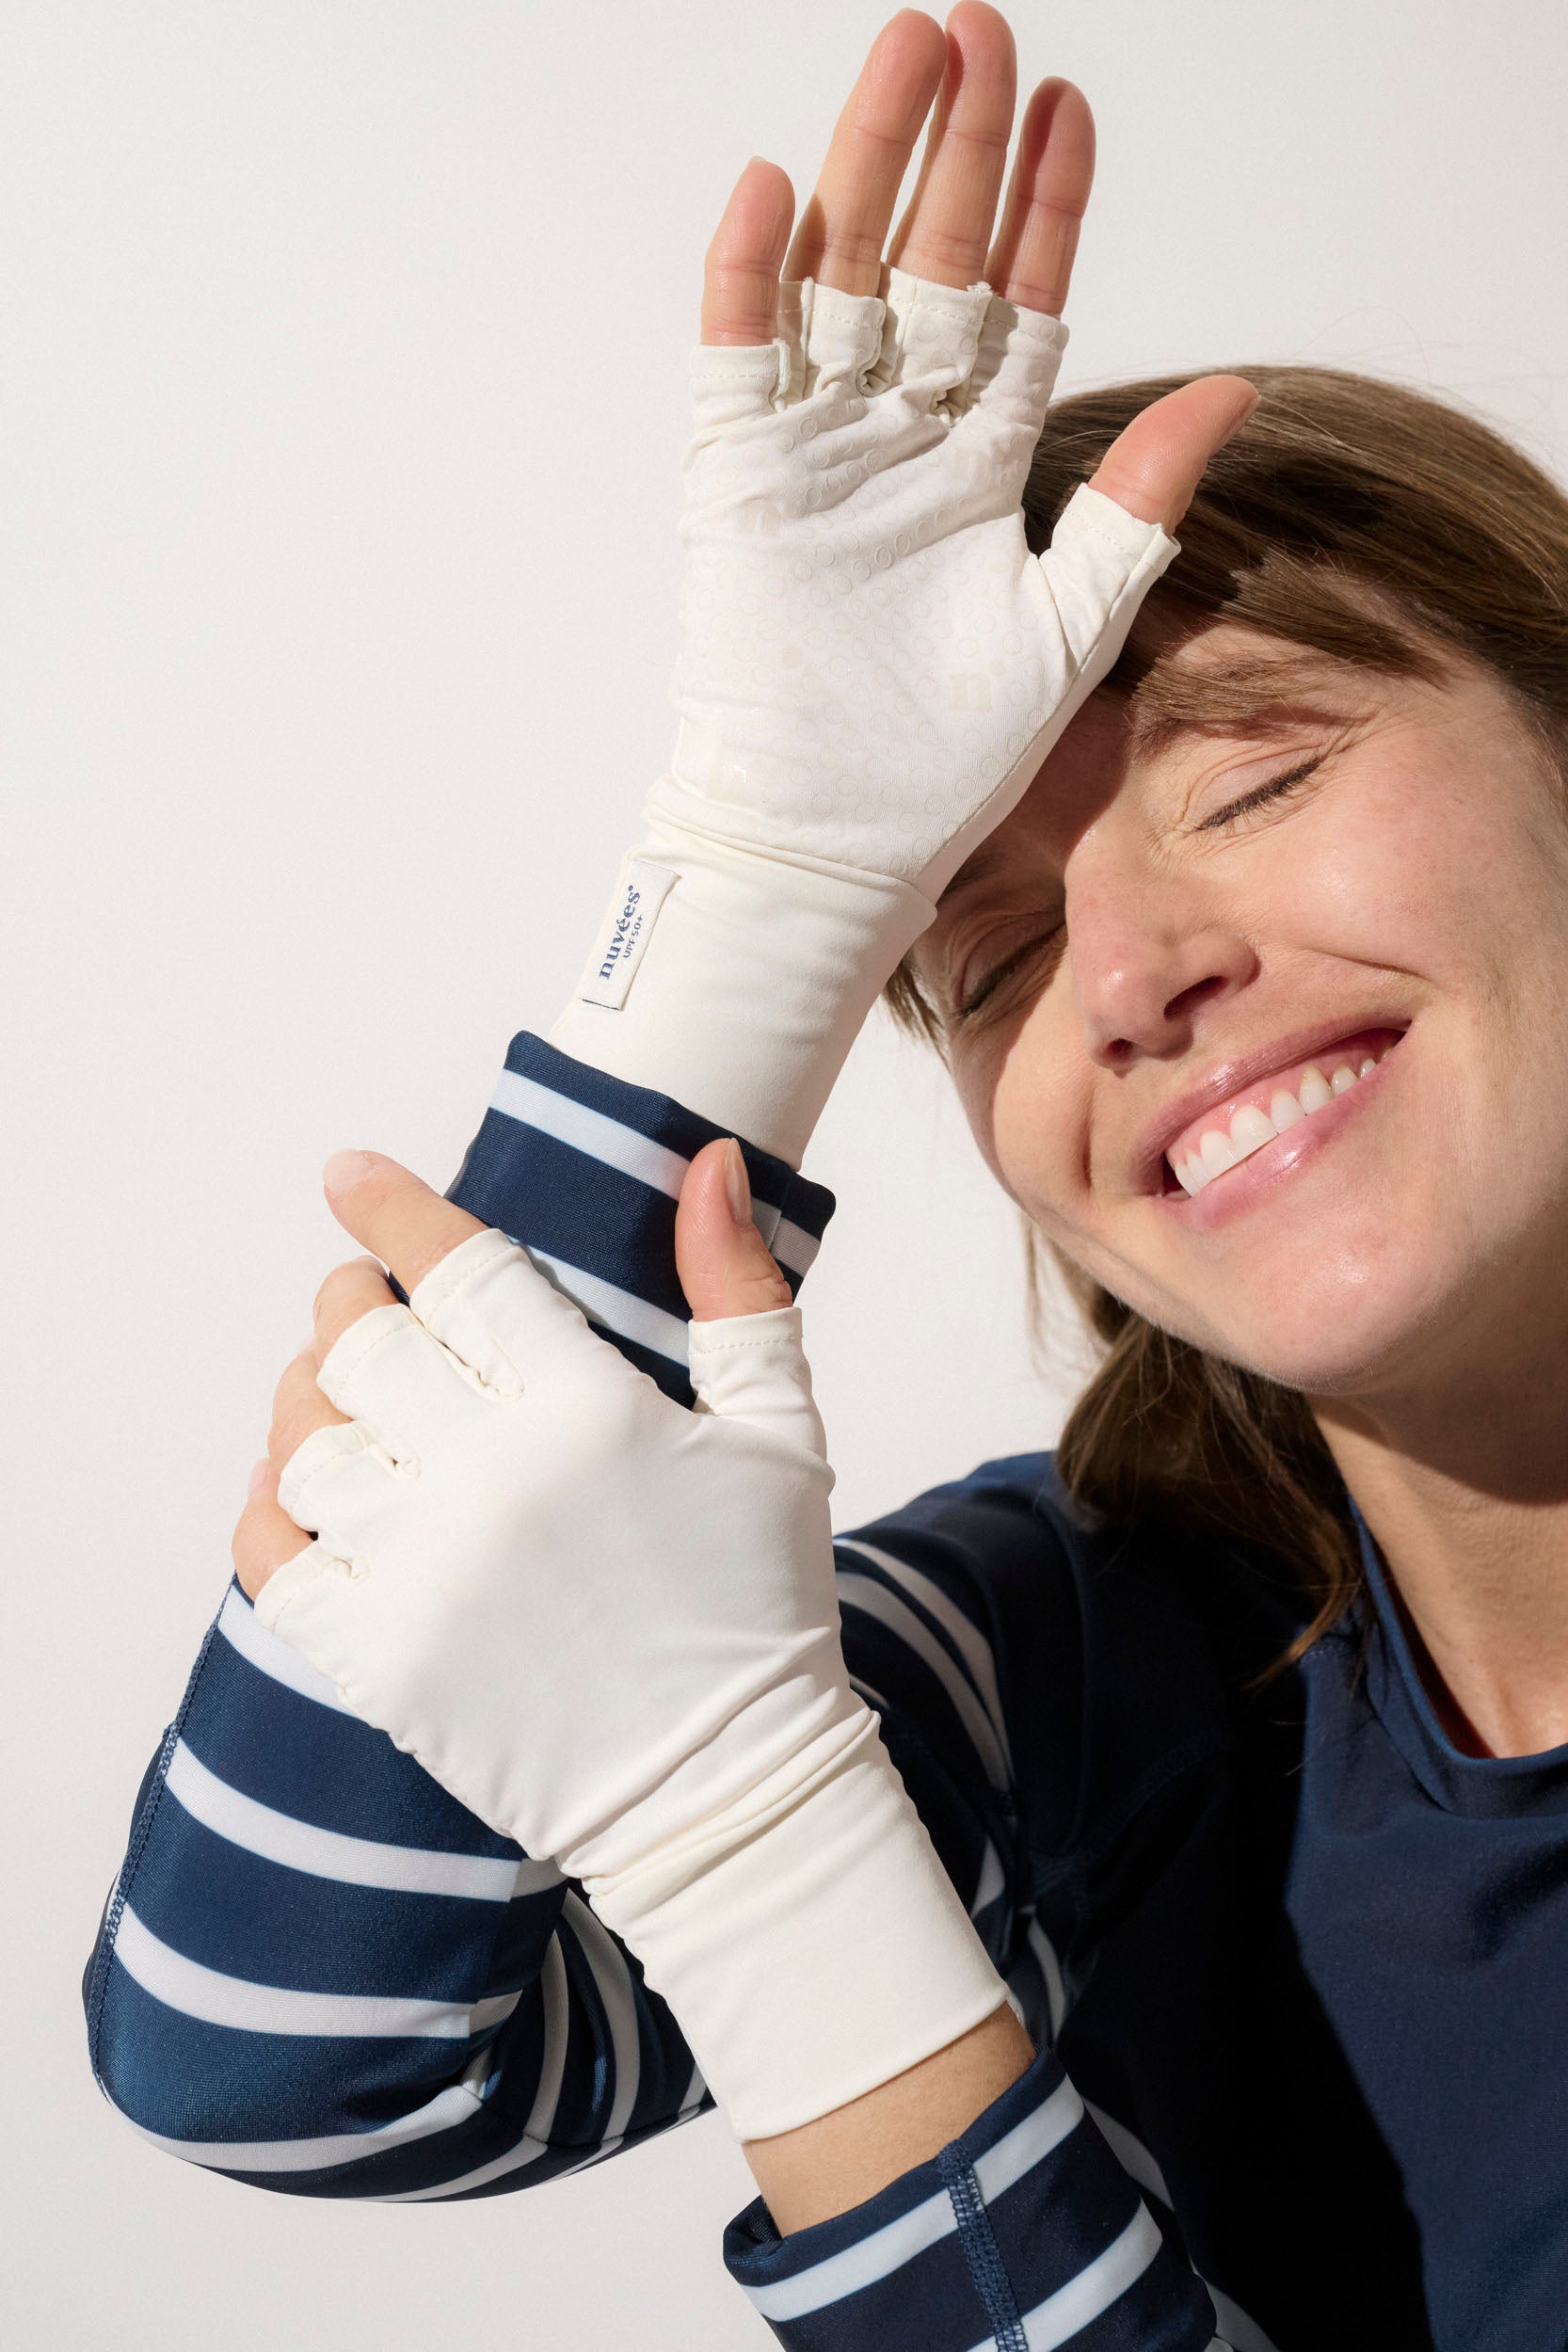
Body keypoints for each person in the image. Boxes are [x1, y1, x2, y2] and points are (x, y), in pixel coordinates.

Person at [81, 6, 1568, 2346]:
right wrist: (758, 897)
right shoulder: (1114, 1651)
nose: (1134, 978)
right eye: (977, 962)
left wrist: (759, 1848)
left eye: (1253, 779)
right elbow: (270, 2045)